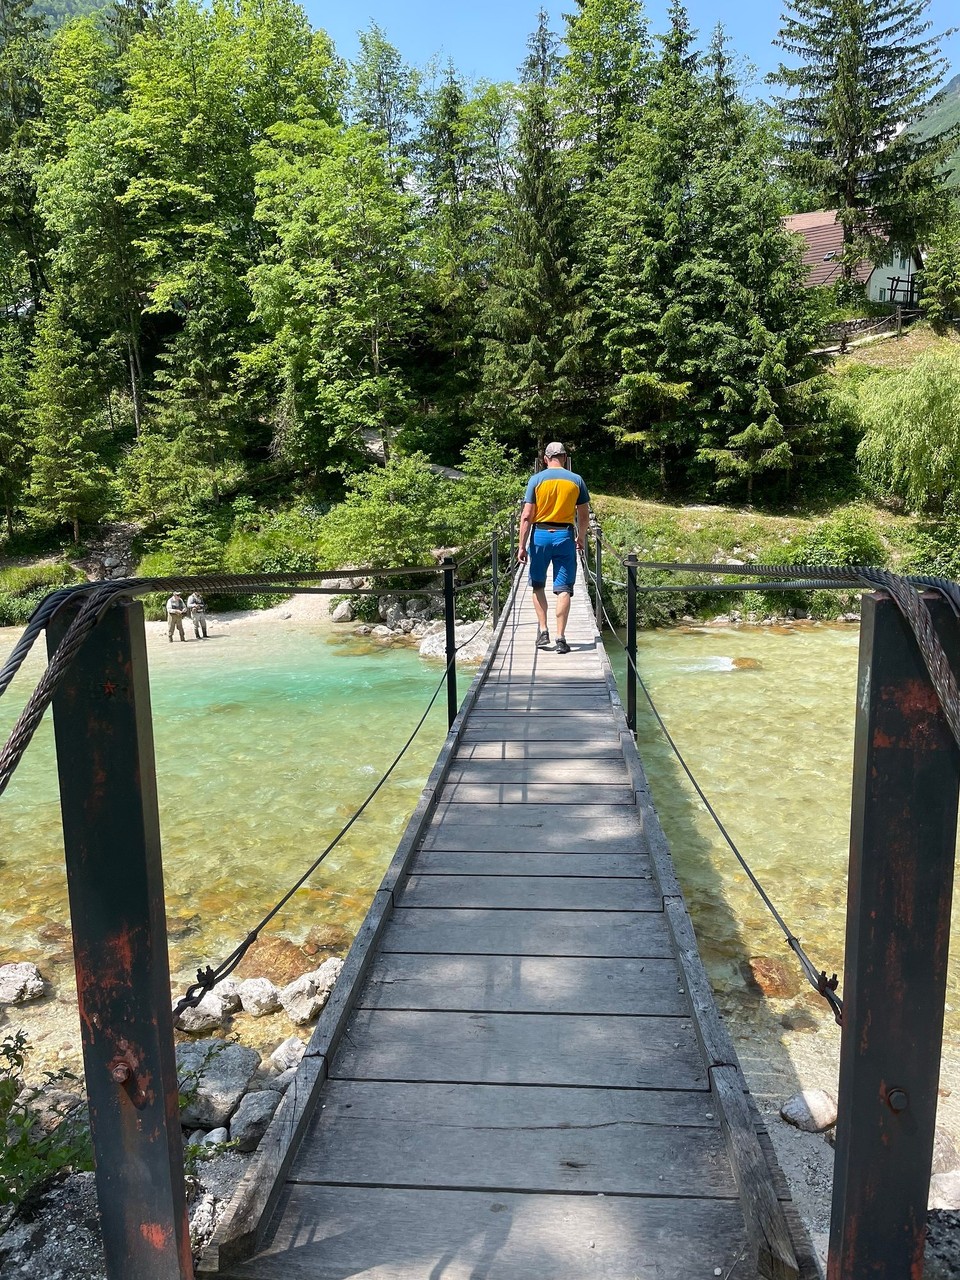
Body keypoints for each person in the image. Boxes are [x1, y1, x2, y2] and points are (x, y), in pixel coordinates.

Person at [517, 442, 590, 654]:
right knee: (564, 588)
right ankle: (560, 637)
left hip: (539, 536)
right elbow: (583, 515)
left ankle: (543, 631)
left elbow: (526, 516)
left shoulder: (535, 480)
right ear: (565, 457)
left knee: (538, 584)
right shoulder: (576, 480)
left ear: (546, 459)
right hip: (565, 536)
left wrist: (522, 546)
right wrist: (581, 537)